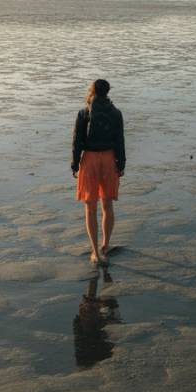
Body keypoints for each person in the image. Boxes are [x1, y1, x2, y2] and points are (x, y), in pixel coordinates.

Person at [71, 78, 125, 265]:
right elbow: (119, 140)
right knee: (107, 205)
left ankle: (95, 252)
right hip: (109, 158)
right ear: (108, 92)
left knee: (90, 207)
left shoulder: (84, 113)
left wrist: (75, 164)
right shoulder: (116, 113)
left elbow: (77, 141)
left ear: (92, 91)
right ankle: (105, 245)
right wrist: (121, 164)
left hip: (90, 159)